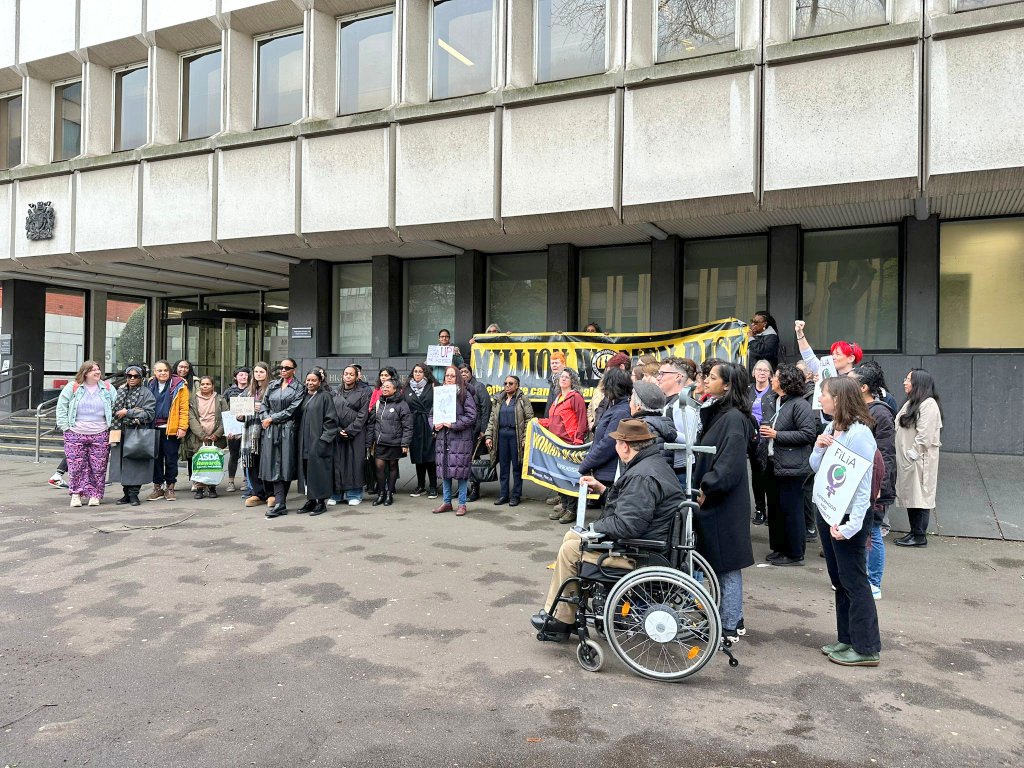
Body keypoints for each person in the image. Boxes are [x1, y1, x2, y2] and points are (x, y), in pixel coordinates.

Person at [530, 419, 684, 636]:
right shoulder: (652, 465)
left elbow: (627, 524)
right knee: (572, 538)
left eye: (617, 442)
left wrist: (593, 529)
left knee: (571, 549)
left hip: (641, 555)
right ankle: (568, 612)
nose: (615, 446)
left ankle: (561, 619)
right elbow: (630, 506)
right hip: (652, 544)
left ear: (625, 446)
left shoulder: (641, 475)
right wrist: (603, 490)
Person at [811, 377, 881, 667]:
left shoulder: (860, 434)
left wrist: (852, 525)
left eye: (824, 395)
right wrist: (819, 446)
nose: (821, 400)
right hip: (829, 511)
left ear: (838, 399)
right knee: (840, 580)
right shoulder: (833, 427)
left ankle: (866, 648)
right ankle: (847, 638)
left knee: (855, 581)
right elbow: (816, 467)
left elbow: (864, 486)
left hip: (849, 516)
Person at [692, 362, 755, 643]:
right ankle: (727, 618)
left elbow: (728, 465)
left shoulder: (733, 419)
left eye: (713, 377)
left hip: (723, 503)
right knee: (718, 564)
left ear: (727, 385)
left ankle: (729, 626)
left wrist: (708, 486)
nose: (706, 380)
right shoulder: (721, 413)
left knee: (727, 566)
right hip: (716, 501)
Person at [759, 364, 817, 566]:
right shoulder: (772, 400)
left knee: (791, 510)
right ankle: (779, 548)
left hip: (793, 467)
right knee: (775, 508)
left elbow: (809, 433)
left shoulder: (800, 405)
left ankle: (794, 553)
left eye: (775, 376)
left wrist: (777, 435)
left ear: (785, 381)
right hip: (774, 463)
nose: (772, 379)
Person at [853, 362, 897, 597]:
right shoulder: (859, 410)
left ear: (863, 387)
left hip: (875, 485)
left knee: (874, 531)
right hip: (860, 481)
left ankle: (874, 582)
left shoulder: (880, 412)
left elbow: (886, 454)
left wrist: (879, 486)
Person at [55, 360, 116, 507]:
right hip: (75, 433)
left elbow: (116, 406)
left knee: (99, 466)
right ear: (85, 373)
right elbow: (61, 407)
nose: (97, 372)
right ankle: (76, 494)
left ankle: (95, 494)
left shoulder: (107, 388)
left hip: (100, 432)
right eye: (93, 370)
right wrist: (65, 427)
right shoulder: (73, 387)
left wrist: (113, 428)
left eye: (98, 369)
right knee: (76, 466)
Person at [894, 369, 943, 548]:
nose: (905, 382)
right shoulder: (912, 402)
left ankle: (919, 536)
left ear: (919, 384)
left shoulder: (928, 405)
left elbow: (925, 436)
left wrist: (911, 454)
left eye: (908, 380)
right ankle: (914, 532)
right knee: (912, 496)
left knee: (920, 496)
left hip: (918, 461)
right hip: (910, 461)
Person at [577, 367, 634, 520]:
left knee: (610, 518)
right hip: (606, 472)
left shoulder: (621, 411)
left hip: (611, 475)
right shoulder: (615, 407)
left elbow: (607, 444)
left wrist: (585, 465)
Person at [538, 368, 588, 520]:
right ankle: (565, 507)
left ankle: (572, 511)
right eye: (562, 377)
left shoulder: (576, 397)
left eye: (567, 377)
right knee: (560, 477)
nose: (564, 379)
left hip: (569, 444)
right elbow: (553, 421)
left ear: (573, 380)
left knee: (569, 478)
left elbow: (582, 421)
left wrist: (578, 441)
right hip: (556, 443)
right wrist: (538, 421)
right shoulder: (558, 397)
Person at [430, 365, 477, 516]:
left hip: (460, 438)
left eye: (452, 375)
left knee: (461, 472)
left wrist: (453, 424)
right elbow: (431, 415)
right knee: (446, 470)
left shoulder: (464, 394)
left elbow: (471, 415)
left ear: (457, 377)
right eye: (447, 375)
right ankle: (447, 502)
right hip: (443, 438)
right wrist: (434, 425)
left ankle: (462, 504)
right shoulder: (440, 393)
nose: (449, 378)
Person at [261, 358, 305, 518]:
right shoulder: (273, 385)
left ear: (294, 369)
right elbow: (264, 404)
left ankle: (281, 502)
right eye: (281, 367)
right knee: (272, 463)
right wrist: (265, 418)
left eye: (287, 368)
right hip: (270, 430)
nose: (283, 370)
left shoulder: (299, 387)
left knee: (284, 465)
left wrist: (271, 418)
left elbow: (293, 409)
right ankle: (279, 502)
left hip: (288, 429)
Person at [109, 364, 156, 507]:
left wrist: (128, 412)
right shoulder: (120, 391)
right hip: (119, 431)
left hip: (136, 432)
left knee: (136, 464)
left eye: (136, 376)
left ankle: (134, 494)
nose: (132, 379)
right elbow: (112, 411)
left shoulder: (146, 393)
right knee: (122, 464)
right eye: (129, 376)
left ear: (141, 378)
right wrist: (131, 411)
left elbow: (149, 414)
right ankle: (126, 494)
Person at [484, 374, 532, 506]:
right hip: (501, 435)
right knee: (503, 467)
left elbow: (529, 419)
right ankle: (504, 494)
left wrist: (525, 438)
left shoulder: (523, 399)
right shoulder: (499, 399)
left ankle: (516, 495)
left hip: (515, 435)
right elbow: (492, 419)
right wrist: (488, 436)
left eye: (511, 383)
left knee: (517, 466)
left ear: (517, 385)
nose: (507, 386)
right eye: (505, 383)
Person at [296, 369, 339, 516]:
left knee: (320, 472)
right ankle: (311, 500)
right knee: (308, 471)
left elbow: (331, 421)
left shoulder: (325, 396)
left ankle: (321, 502)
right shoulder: (304, 396)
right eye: (308, 380)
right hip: (305, 442)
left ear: (320, 381)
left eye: (313, 380)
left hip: (318, 442)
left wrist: (324, 440)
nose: (310, 383)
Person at [146, 360, 189, 502]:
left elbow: (184, 409)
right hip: (153, 428)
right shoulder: (149, 384)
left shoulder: (179, 385)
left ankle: (170, 487)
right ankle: (158, 488)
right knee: (155, 459)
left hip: (171, 428)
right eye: (159, 371)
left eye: (165, 370)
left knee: (171, 460)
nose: (162, 373)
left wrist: (182, 427)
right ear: (154, 372)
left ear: (170, 371)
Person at [330, 365, 371, 507]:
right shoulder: (334, 391)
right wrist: (337, 429)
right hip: (337, 432)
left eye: (351, 374)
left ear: (356, 376)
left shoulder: (364, 392)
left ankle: (355, 494)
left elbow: (363, 414)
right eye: (346, 373)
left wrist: (349, 430)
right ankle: (336, 493)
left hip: (356, 433)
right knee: (337, 463)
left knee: (354, 463)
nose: (348, 376)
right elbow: (330, 412)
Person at [182, 376, 227, 499]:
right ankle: (199, 489)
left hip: (215, 436)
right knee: (199, 464)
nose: (205, 386)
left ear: (213, 386)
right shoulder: (193, 400)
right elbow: (191, 418)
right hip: (198, 437)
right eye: (202, 384)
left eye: (208, 384)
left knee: (213, 463)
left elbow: (225, 417)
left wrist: (217, 434)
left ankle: (212, 487)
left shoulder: (221, 399)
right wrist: (202, 435)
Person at [371, 379, 412, 506]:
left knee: (393, 467)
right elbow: (372, 422)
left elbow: (408, 426)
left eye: (388, 387)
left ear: (395, 389)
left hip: (395, 442)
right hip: (380, 441)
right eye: (383, 386)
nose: (385, 388)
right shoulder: (379, 403)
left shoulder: (402, 404)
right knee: (379, 467)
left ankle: (389, 494)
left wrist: (405, 443)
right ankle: (381, 493)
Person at [748, 359, 777, 526]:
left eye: (765, 370)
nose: (761, 372)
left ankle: (772, 511)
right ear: (753, 372)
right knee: (757, 475)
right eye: (758, 369)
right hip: (753, 439)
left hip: (769, 438)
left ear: (770, 374)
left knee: (770, 476)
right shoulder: (748, 391)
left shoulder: (774, 391)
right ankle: (760, 509)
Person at [404, 363, 438, 499]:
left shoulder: (433, 386)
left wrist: (436, 425)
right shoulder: (406, 389)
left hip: (429, 424)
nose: (417, 374)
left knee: (430, 457)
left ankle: (434, 487)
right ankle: (421, 485)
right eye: (415, 371)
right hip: (415, 425)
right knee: (418, 457)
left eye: (420, 371)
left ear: (426, 373)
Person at [460, 364, 492, 502]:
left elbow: (486, 409)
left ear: (471, 373)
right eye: (460, 372)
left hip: (475, 429)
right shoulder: (457, 388)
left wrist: (484, 430)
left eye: (466, 372)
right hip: (461, 429)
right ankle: (462, 488)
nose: (463, 374)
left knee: (474, 459)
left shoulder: (479, 386)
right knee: (461, 459)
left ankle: (475, 488)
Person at [241, 362, 271, 508]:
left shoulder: (271, 388)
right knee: (251, 463)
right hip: (249, 432)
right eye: (256, 372)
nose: (258, 374)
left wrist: (262, 408)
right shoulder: (248, 391)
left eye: (261, 372)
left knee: (265, 463)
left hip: (265, 431)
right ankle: (258, 493)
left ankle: (270, 493)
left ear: (267, 373)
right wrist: (240, 414)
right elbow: (239, 412)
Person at [794, 320, 862, 378]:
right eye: (833, 354)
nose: (833, 357)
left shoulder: (858, 379)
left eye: (838, 354)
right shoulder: (828, 372)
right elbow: (809, 357)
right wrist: (799, 333)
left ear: (850, 358)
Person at [587, 352, 631, 432]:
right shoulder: (605, 387)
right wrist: (596, 425)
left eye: (610, 371)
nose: (607, 375)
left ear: (621, 367)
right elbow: (601, 406)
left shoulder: (630, 393)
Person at [222, 367, 250, 493]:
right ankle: (231, 481)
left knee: (247, 455)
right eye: (240, 375)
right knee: (233, 455)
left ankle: (246, 480)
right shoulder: (228, 392)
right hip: (233, 429)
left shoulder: (252, 390)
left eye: (245, 375)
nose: (243, 377)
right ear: (235, 377)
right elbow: (224, 411)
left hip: (248, 427)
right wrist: (228, 429)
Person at [628, 380, 676, 449]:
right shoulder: (667, 423)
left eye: (630, 400)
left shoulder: (639, 427)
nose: (629, 404)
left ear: (638, 405)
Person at [544, 351, 567, 418]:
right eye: (552, 363)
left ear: (564, 364)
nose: (554, 365)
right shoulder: (552, 380)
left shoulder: (569, 380)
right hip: (550, 419)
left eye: (556, 363)